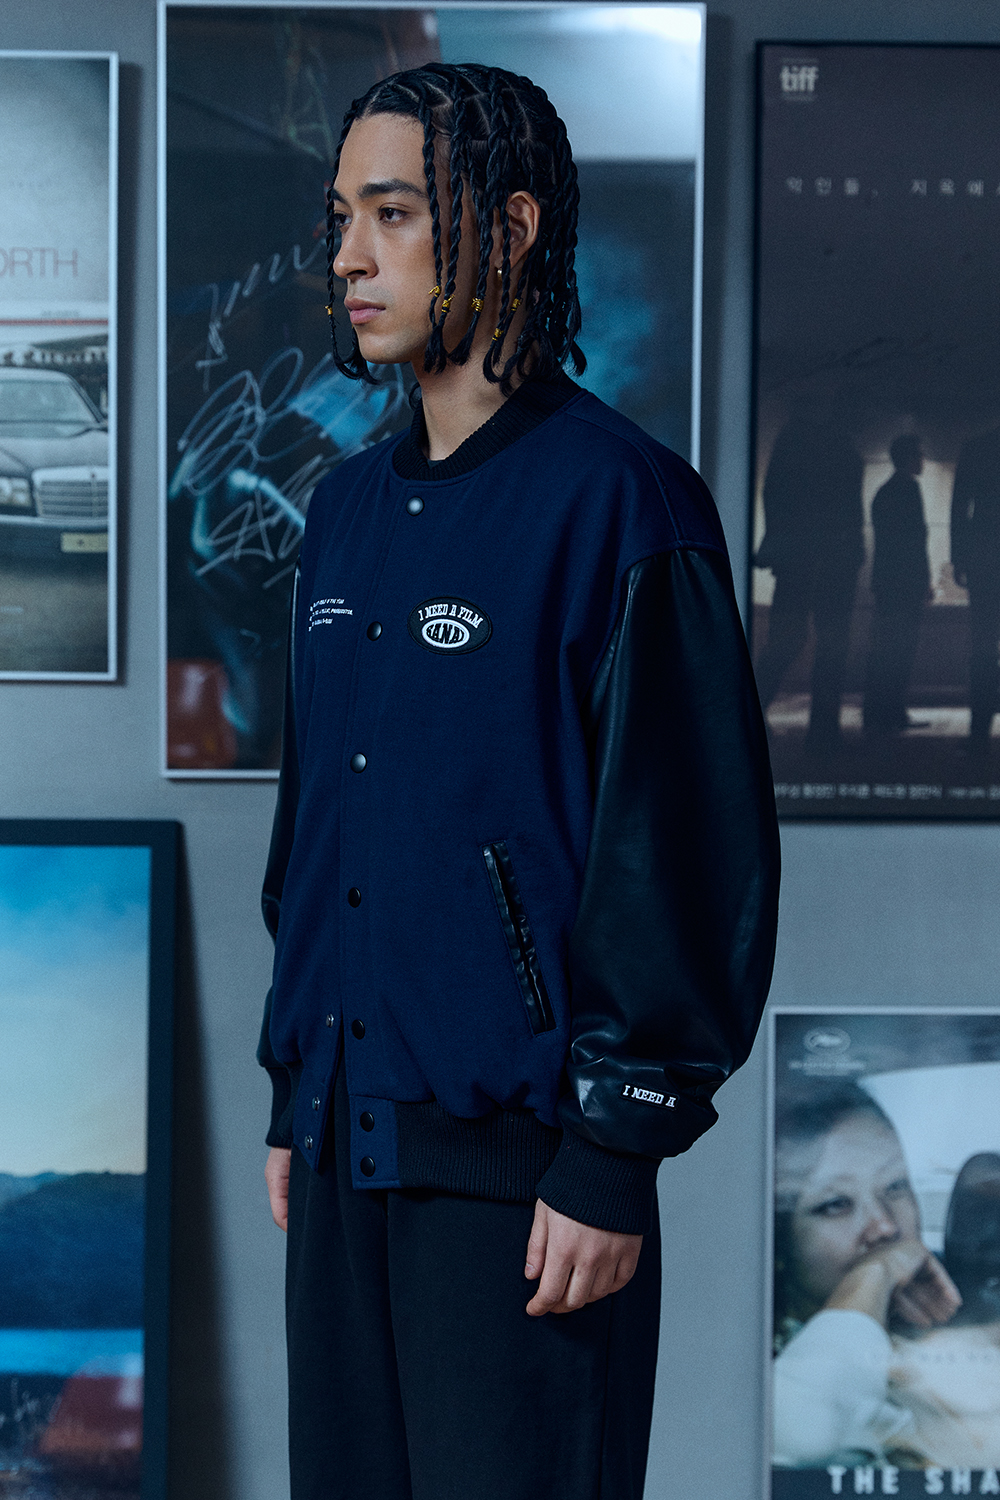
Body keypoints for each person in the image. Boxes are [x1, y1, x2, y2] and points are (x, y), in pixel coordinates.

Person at [257, 63, 780, 1500]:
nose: (348, 257)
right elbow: (316, 830)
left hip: (532, 1185)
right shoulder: (342, 513)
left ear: (508, 226)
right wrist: (298, 1086)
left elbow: (685, 858)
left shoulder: (622, 501)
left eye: (393, 213)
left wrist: (614, 1154)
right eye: (340, 218)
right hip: (345, 1147)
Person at [773, 1084, 963, 1469]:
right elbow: (807, 1435)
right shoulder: (768, 1374)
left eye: (895, 1186)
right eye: (835, 1204)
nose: (884, 1226)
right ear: (779, 1245)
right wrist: (875, 1273)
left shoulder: (954, 1342)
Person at [753, 407, 864, 755]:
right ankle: (822, 733)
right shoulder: (837, 449)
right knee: (828, 645)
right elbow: (845, 512)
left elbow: (775, 498)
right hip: (829, 561)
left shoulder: (796, 443)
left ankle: (749, 717)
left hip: (800, 561)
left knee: (789, 639)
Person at [863, 433, 931, 737]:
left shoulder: (884, 492)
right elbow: (915, 543)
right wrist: (923, 580)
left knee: (885, 648)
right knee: (901, 649)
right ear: (909, 458)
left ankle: (879, 713)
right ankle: (892, 712)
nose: (923, 460)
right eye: (919, 454)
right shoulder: (909, 490)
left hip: (887, 582)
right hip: (905, 584)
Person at [951, 425, 1000, 754]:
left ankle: (979, 732)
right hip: (985, 558)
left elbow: (960, 508)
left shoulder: (976, 448)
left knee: (982, 645)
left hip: (985, 558)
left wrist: (960, 558)